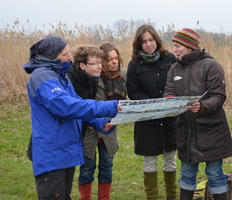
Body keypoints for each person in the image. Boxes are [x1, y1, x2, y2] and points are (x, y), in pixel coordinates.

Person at [22, 35, 122, 200]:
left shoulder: (60, 76)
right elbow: (66, 106)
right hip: (52, 154)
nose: (69, 58)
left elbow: (77, 104)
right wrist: (107, 106)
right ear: (51, 56)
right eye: (65, 54)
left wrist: (97, 122)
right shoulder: (42, 77)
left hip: (64, 152)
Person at [164, 28, 232, 200]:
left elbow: (219, 96)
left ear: (189, 46)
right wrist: (170, 100)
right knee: (187, 173)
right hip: (185, 130)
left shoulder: (211, 65)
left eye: (178, 46)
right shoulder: (174, 69)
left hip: (212, 131)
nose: (174, 49)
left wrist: (202, 106)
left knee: (215, 173)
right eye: (174, 45)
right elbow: (168, 92)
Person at [67, 43, 127, 200]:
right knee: (87, 167)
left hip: (109, 130)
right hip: (90, 130)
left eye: (116, 58)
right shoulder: (91, 78)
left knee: (107, 166)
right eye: (109, 59)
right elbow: (85, 106)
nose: (114, 62)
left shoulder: (122, 77)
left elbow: (124, 103)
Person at [126, 24, 178, 200]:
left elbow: (178, 83)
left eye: (151, 40)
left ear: (156, 40)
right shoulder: (134, 64)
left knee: (170, 158)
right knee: (150, 161)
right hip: (147, 119)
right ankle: (152, 197)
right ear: (138, 44)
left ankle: (171, 195)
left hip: (170, 118)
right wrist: (153, 104)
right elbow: (132, 92)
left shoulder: (170, 58)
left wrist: (169, 100)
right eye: (144, 42)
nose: (149, 44)